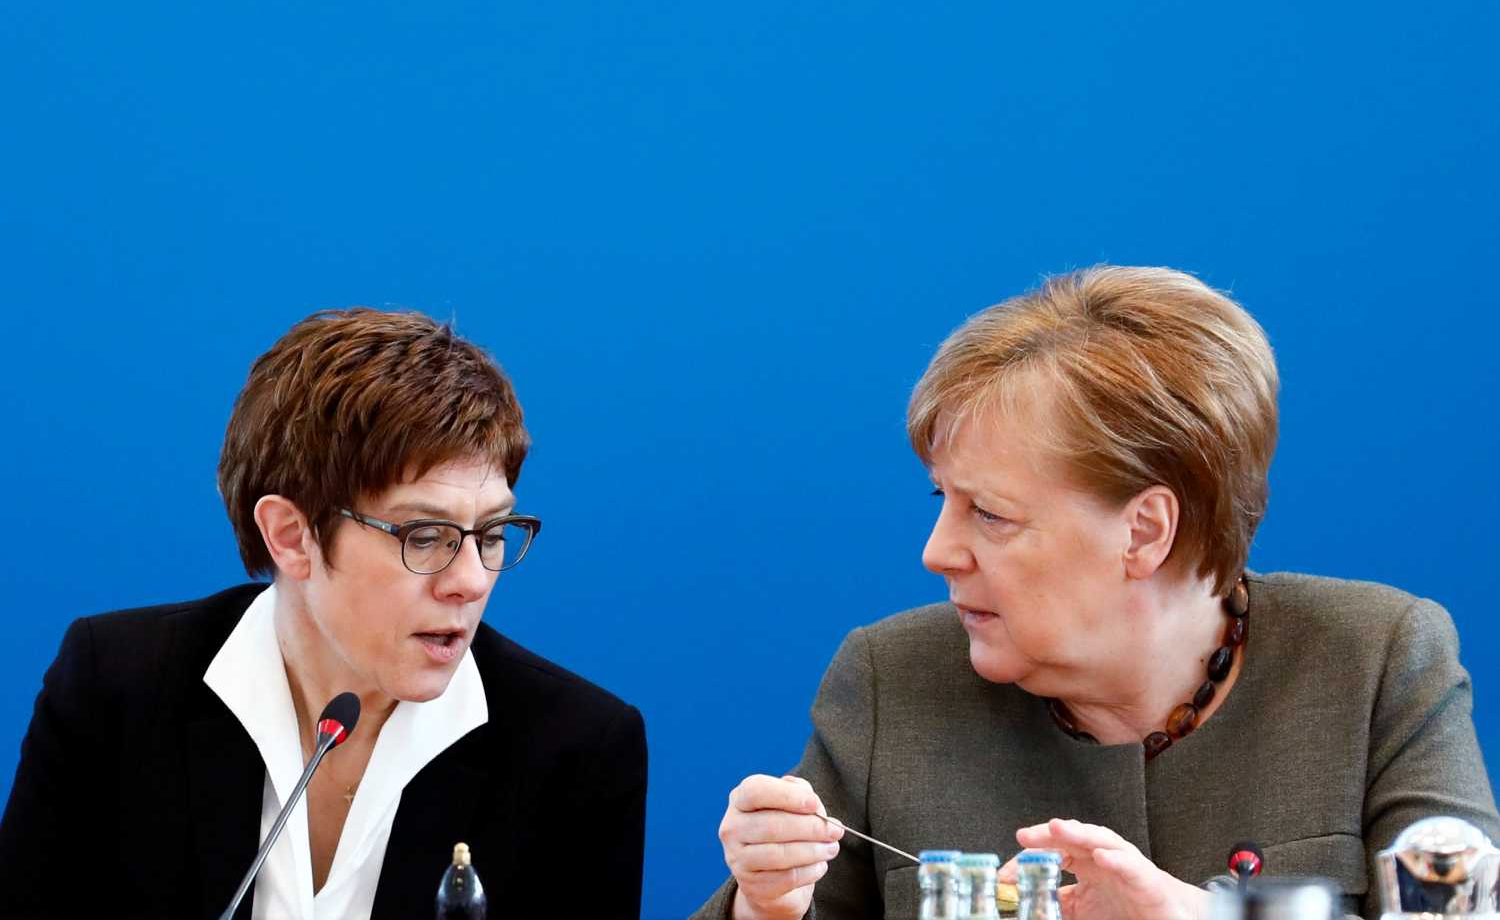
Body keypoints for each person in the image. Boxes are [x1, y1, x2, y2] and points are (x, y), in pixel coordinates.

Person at [697, 266, 1497, 920]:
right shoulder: (890, 680)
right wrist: (764, 904)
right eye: (942, 498)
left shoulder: (1376, 661)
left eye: (991, 513)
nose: (936, 552)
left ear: (1144, 531)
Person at [0, 309, 648, 920]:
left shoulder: (576, 752)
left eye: (492, 533)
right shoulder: (115, 690)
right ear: (291, 537)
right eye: (425, 536)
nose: (472, 581)